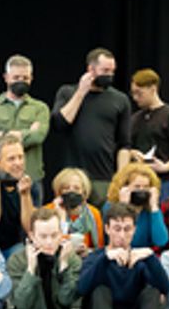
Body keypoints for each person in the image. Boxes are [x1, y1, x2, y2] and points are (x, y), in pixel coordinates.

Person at [77, 202, 169, 309]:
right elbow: (81, 289)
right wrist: (104, 260)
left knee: (153, 290)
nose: (122, 235)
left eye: (127, 229)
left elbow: (165, 288)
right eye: (117, 229)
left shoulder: (140, 258)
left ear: (134, 230)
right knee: (99, 290)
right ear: (107, 229)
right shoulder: (96, 257)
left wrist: (150, 258)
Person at [51, 48, 132, 204]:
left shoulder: (120, 100)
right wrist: (81, 93)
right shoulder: (68, 92)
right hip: (73, 178)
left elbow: (124, 144)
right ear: (91, 69)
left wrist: (120, 179)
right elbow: (59, 124)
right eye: (105, 70)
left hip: (104, 176)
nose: (109, 75)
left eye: (112, 71)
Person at [0, 55, 50, 204]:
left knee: (31, 224)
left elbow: (39, 137)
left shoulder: (40, 108)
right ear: (6, 77)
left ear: (31, 78)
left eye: (25, 77)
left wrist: (1, 135)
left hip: (31, 178)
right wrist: (25, 133)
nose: (21, 81)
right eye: (16, 77)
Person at [128, 68, 169, 197]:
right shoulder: (135, 118)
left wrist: (165, 167)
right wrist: (132, 153)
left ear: (153, 89)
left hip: (164, 181)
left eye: (139, 93)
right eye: (133, 93)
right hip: (138, 179)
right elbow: (125, 144)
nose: (135, 98)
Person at [106, 162, 168, 250]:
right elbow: (118, 240)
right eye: (137, 187)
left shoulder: (151, 211)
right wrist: (123, 207)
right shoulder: (109, 207)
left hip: (142, 256)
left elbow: (161, 241)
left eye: (146, 187)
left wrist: (154, 206)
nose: (141, 190)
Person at [51, 167, 103, 254]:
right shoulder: (49, 211)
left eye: (76, 188)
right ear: (59, 192)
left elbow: (99, 248)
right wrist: (62, 219)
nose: (71, 192)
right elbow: (52, 245)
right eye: (66, 188)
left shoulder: (94, 213)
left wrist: (88, 251)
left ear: (84, 192)